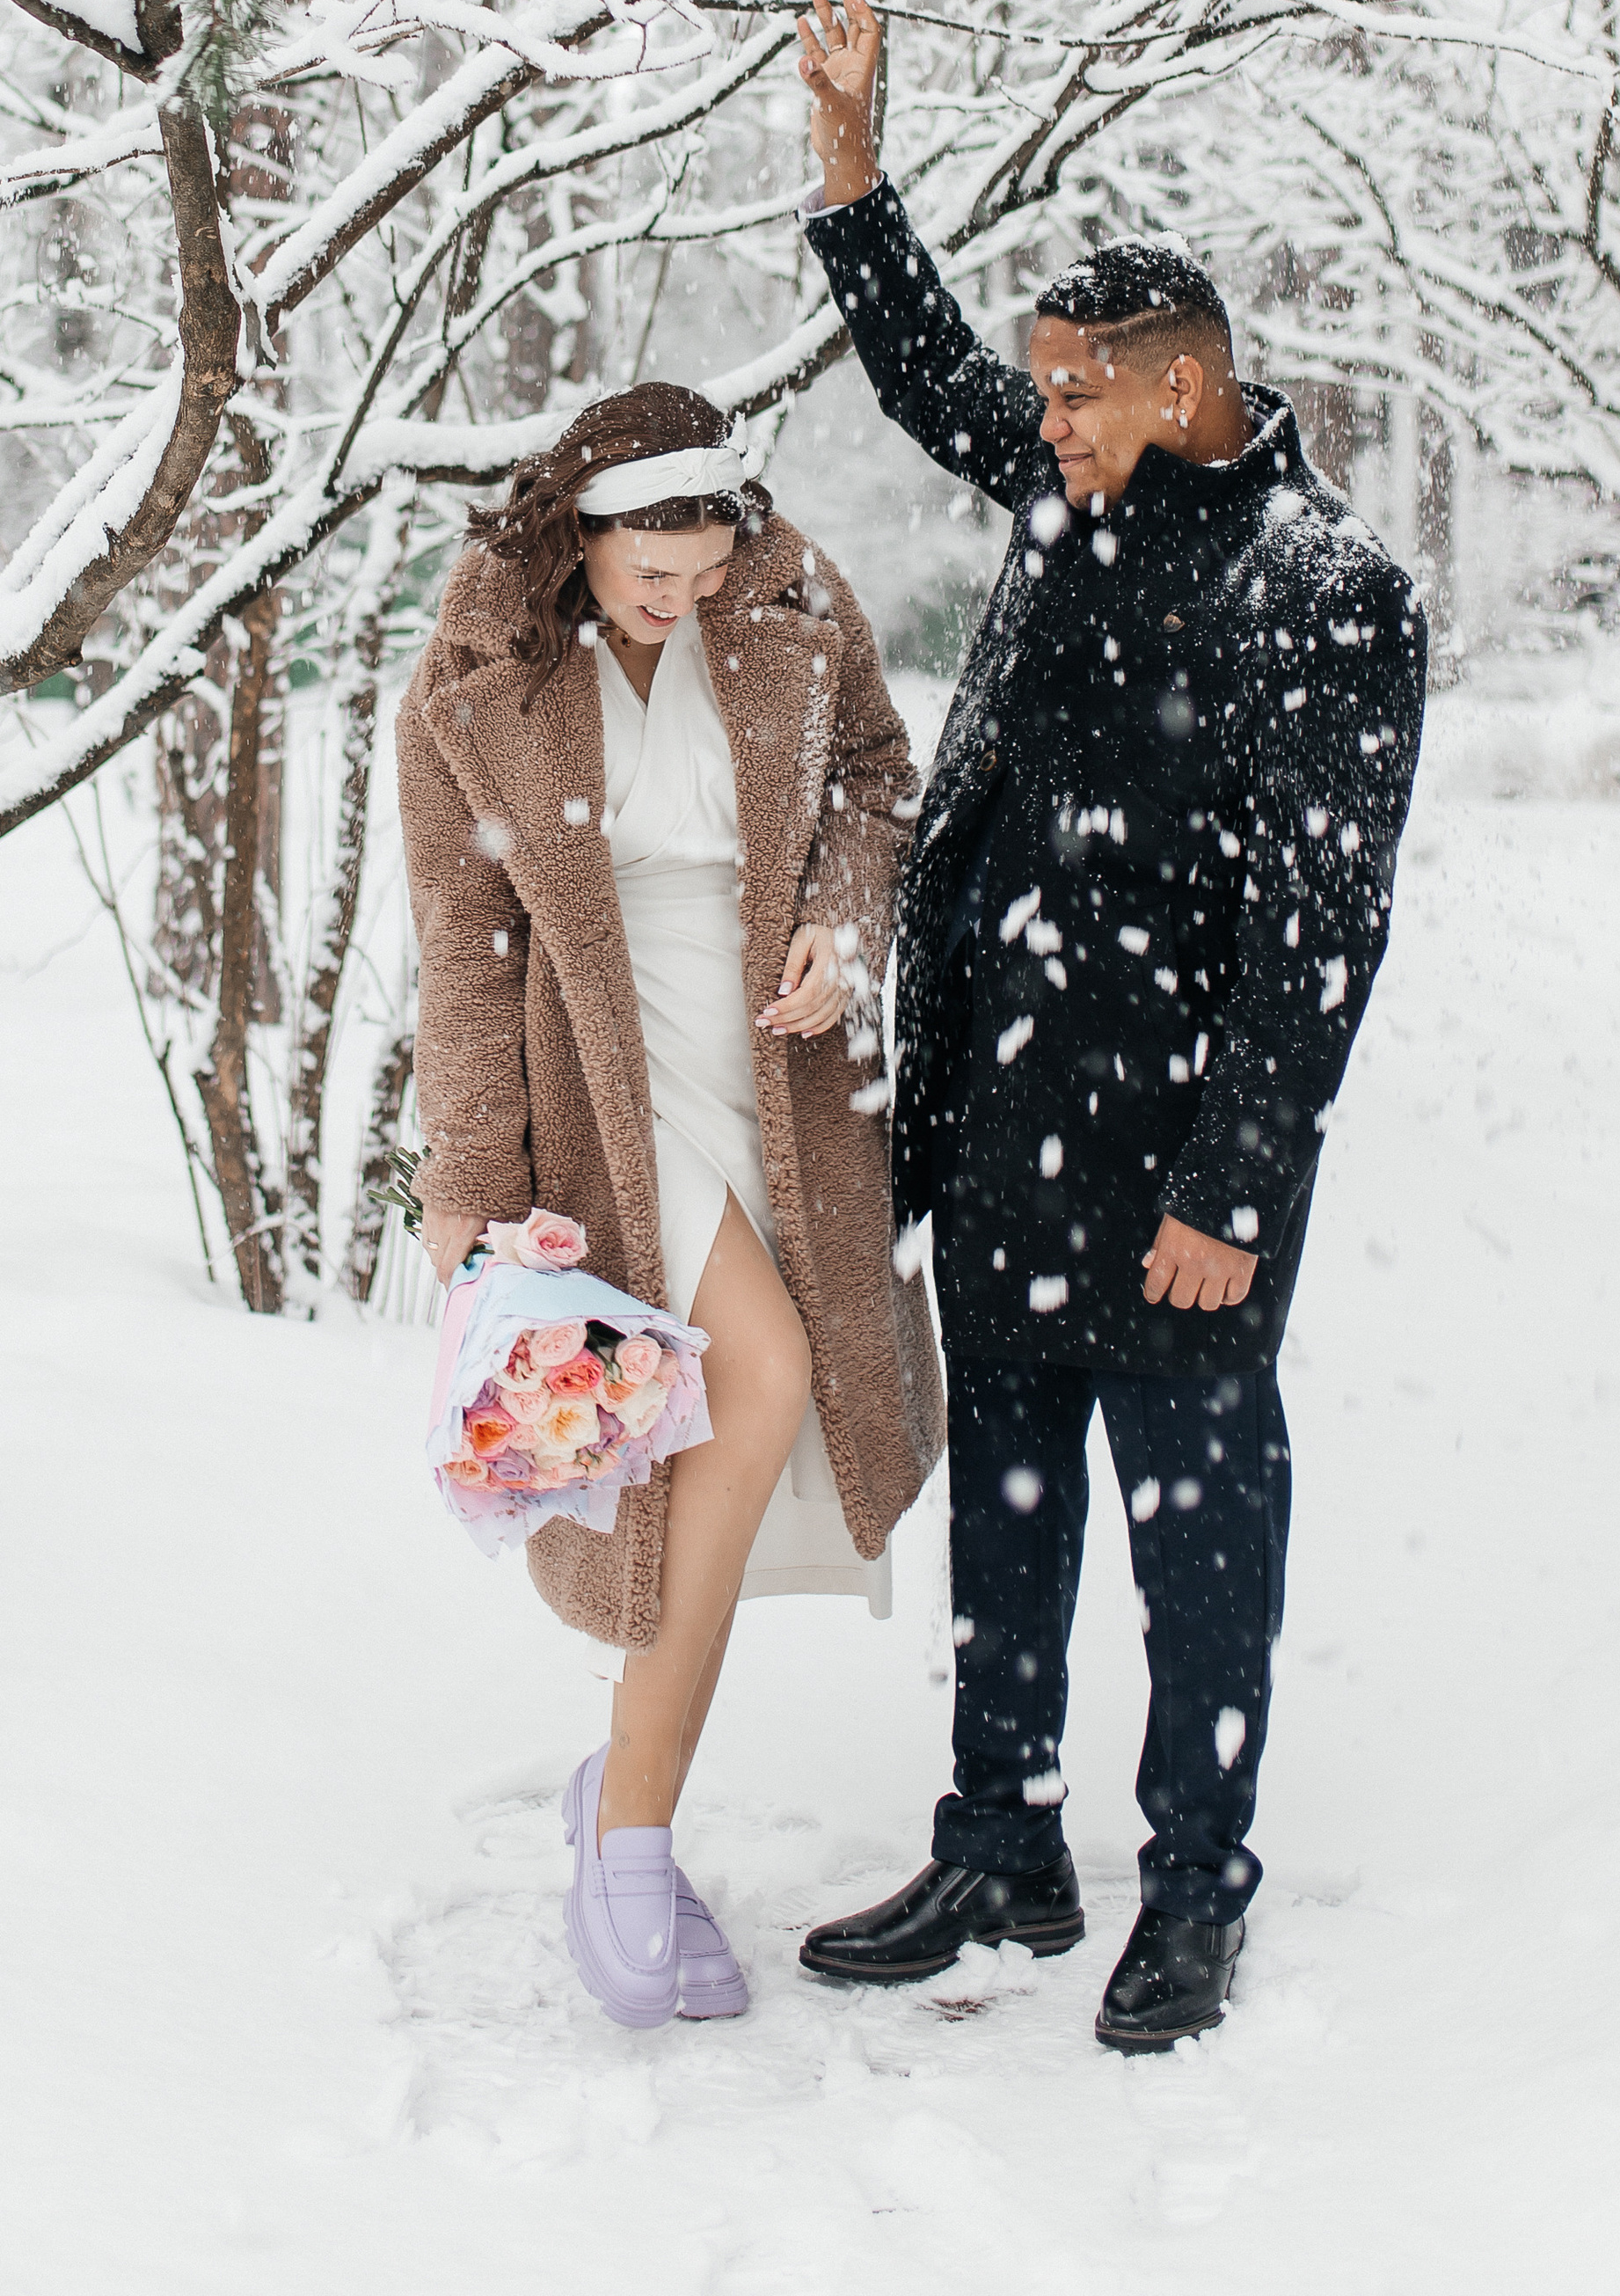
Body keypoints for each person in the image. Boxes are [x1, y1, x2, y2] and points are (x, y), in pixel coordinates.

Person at [788, 0, 1427, 2051]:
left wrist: (1233, 1188)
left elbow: (1320, 930)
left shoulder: (1318, 589)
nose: (1034, 423)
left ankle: (1196, 1880)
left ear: (1174, 386)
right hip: (1002, 1105)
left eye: (1070, 395)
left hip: (1174, 1150)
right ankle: (1001, 1840)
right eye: (1044, 399)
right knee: (1013, 1494)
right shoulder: (1075, 498)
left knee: (1193, 1513)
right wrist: (848, 165)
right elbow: (922, 380)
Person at [398, 381, 945, 2031]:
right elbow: (462, 936)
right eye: (655, 559)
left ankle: (621, 1794)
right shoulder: (483, 667)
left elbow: (875, 776)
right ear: (584, 521)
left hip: (779, 1071)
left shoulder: (791, 601)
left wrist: (843, 926)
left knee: (733, 1444)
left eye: (707, 560)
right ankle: (631, 1825)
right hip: (612, 1085)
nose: (684, 590)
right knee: (759, 1382)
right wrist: (475, 1187)